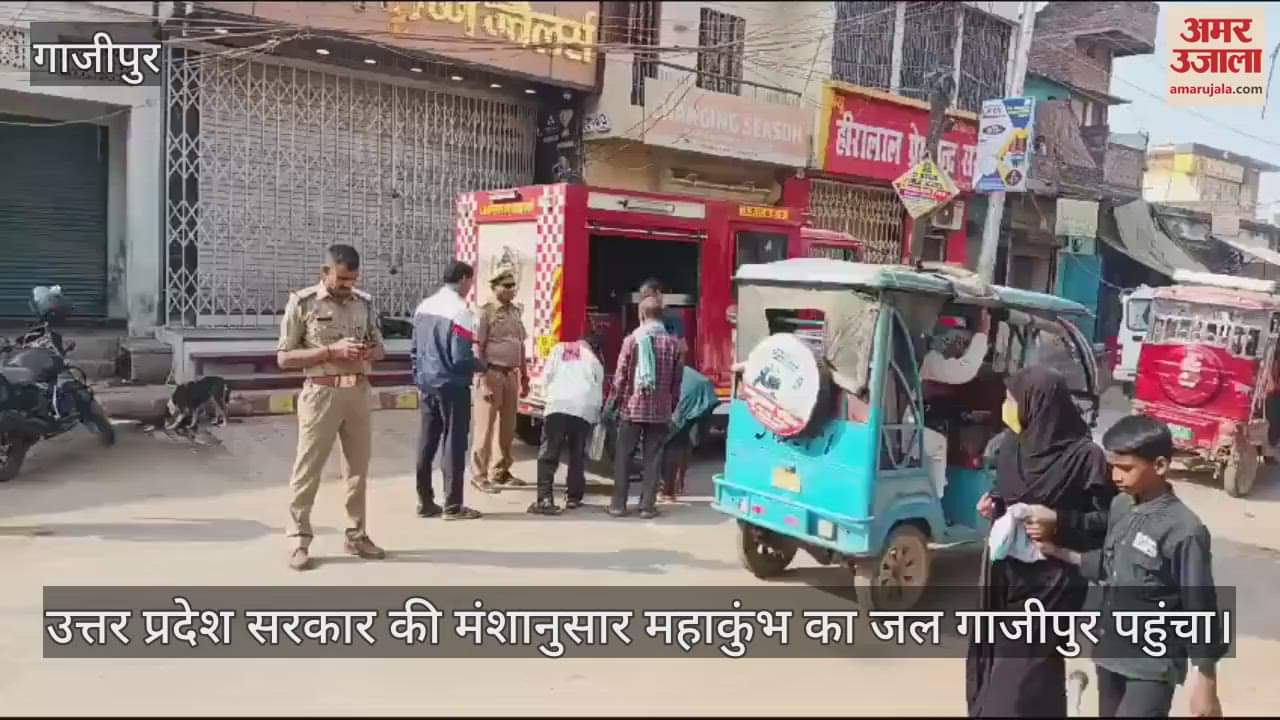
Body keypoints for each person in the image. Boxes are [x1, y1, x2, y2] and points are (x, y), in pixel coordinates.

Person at [1029, 416, 1225, 718]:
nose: (1116, 476)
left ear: (1160, 466)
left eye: (1126, 468)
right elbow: (1109, 566)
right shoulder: (1121, 506)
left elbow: (1200, 606)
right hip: (1110, 653)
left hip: (1152, 666)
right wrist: (1055, 550)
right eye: (1112, 467)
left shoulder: (1185, 530)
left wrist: (1207, 684)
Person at [965, 366, 1115, 718]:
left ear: (1039, 404)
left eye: (1011, 399)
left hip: (1054, 581)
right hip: (1005, 574)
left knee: (1015, 682)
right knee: (1026, 672)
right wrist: (995, 506)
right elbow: (1008, 495)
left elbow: (1109, 521)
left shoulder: (1086, 457)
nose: (1005, 405)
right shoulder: (1011, 446)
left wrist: (1060, 523)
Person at [276, 244, 387, 571]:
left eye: (352, 280)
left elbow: (380, 347)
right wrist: (330, 352)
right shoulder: (303, 303)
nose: (347, 286)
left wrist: (368, 351)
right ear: (324, 272)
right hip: (321, 394)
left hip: (358, 394)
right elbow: (284, 357)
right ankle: (298, 538)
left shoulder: (363, 303)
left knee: (357, 471)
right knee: (307, 469)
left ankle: (357, 534)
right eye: (341, 279)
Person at [411, 261, 486, 522]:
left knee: (426, 442)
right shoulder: (460, 311)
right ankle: (453, 505)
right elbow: (460, 358)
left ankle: (425, 501)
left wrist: (420, 378)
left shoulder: (424, 306)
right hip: (452, 385)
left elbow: (415, 351)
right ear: (464, 280)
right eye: (471, 281)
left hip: (427, 382)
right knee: (454, 443)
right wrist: (483, 366)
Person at [608, 297, 684, 519]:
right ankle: (647, 507)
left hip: (632, 408)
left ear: (641, 315)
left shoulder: (631, 340)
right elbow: (676, 382)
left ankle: (618, 505)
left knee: (624, 456)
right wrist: (671, 406)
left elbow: (621, 377)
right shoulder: (673, 344)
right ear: (662, 316)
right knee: (653, 458)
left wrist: (613, 404)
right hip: (660, 411)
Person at [531, 331, 606, 515]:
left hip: (558, 404)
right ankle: (573, 498)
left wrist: (545, 398)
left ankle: (545, 500)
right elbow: (598, 391)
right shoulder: (594, 361)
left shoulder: (558, 349)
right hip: (583, 409)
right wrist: (595, 417)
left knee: (549, 453)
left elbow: (546, 376)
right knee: (576, 454)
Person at [920, 310, 990, 499]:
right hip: (912, 426)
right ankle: (936, 499)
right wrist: (982, 335)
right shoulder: (930, 358)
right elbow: (964, 370)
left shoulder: (926, 355)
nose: (957, 346)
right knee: (937, 445)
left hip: (915, 421)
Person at [471, 266, 530, 493]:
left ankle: (501, 471)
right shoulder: (485, 312)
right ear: (494, 287)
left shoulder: (515, 312)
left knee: (508, 427)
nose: (511, 290)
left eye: (513, 286)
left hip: (511, 374)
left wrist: (524, 376)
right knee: (484, 429)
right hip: (492, 374)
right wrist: (481, 379)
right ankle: (479, 474)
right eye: (506, 286)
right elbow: (478, 347)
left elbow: (520, 345)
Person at [659, 365, 718, 503]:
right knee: (682, 440)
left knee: (669, 445)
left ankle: (668, 491)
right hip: (699, 393)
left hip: (685, 397)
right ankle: (678, 484)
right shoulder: (675, 363)